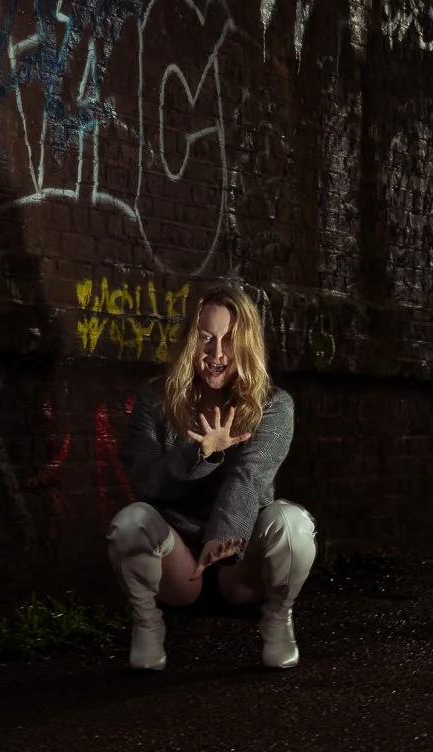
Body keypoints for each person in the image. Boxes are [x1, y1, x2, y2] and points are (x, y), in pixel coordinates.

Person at [107, 283, 316, 671]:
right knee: (130, 523)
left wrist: (222, 536)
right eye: (206, 338)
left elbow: (250, 476)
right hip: (180, 565)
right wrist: (200, 453)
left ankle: (277, 618)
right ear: (191, 340)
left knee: (293, 523)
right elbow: (146, 482)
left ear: (247, 344)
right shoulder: (154, 398)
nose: (217, 354)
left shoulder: (273, 404)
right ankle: (147, 623)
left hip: (238, 563)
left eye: (230, 340)